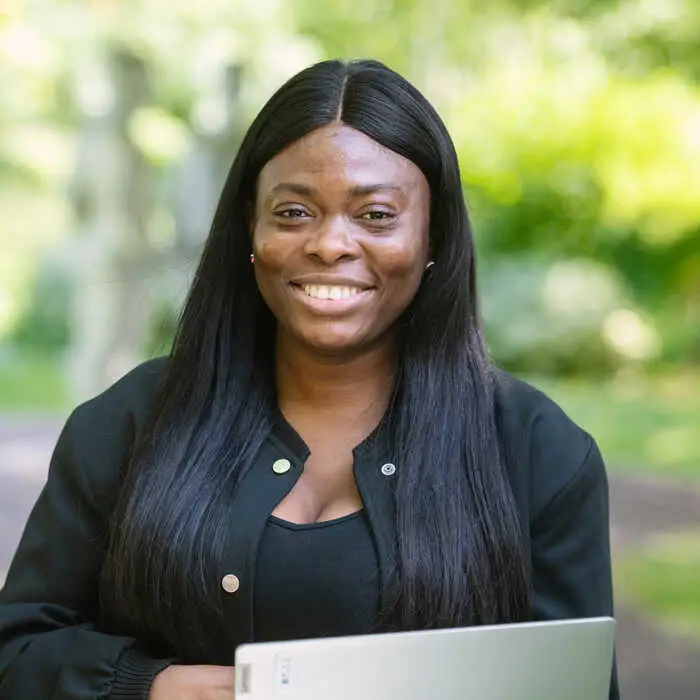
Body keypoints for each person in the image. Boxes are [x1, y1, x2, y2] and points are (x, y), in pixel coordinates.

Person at [0, 58, 619, 700]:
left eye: (376, 215)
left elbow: (573, 684)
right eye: (294, 212)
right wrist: (148, 686)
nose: (330, 244)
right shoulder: (130, 422)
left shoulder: (539, 451)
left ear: (433, 234)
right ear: (251, 227)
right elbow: (17, 651)